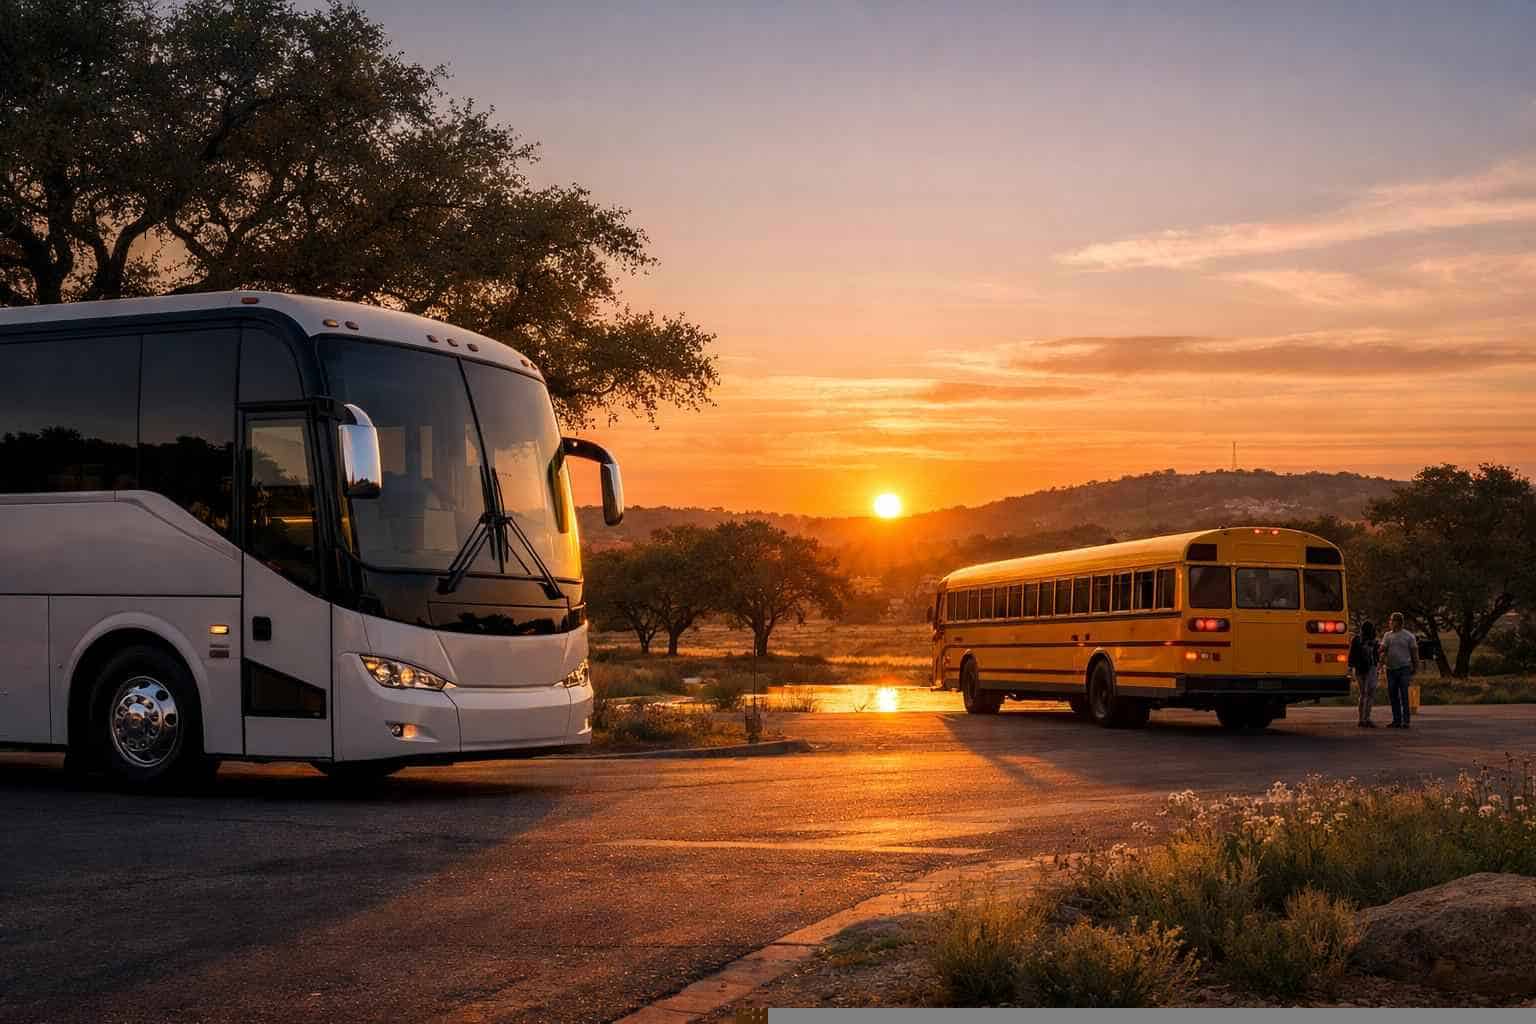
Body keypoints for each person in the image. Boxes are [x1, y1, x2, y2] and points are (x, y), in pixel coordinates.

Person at [1379, 612, 1421, 729]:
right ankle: (1396, 720)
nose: (1390, 623)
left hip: (1404, 668)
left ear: (1398, 622)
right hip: (1390, 669)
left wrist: (1416, 667)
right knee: (1393, 695)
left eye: (1392, 620)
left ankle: (1406, 721)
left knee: (1404, 694)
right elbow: (1383, 651)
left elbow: (1414, 653)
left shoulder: (1409, 636)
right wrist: (1380, 664)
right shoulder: (1387, 635)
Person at [1348, 620, 1379, 727]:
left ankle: (1361, 719)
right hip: (1370, 668)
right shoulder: (1374, 641)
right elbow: (1376, 658)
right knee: (1370, 694)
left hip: (1359, 669)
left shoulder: (1356, 640)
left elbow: (1351, 656)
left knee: (1363, 694)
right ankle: (1367, 718)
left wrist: (1350, 668)